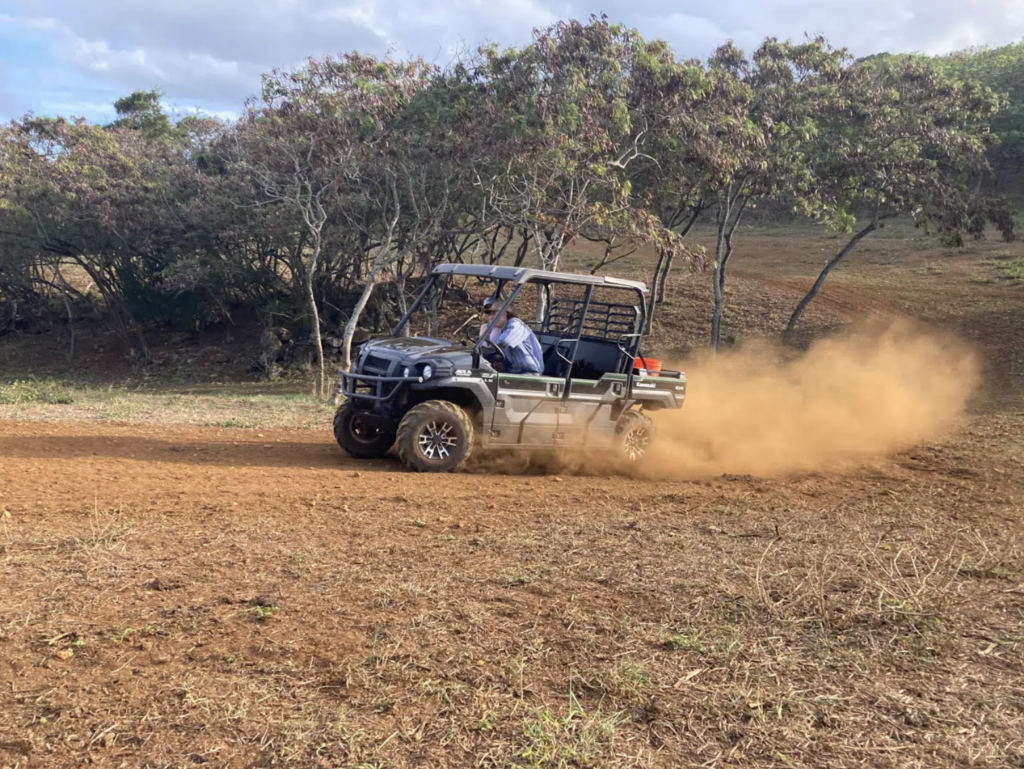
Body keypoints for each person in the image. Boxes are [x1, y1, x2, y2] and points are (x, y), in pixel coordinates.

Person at [480, 297, 544, 375]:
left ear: (504, 313)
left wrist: (488, 349)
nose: (490, 317)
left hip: (529, 372)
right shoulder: (501, 331)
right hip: (514, 372)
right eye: (489, 314)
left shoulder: (516, 324)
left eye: (493, 313)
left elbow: (504, 341)